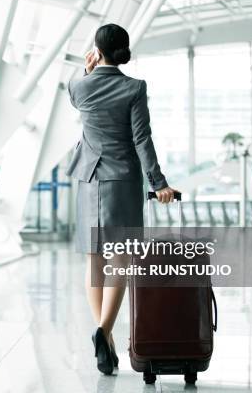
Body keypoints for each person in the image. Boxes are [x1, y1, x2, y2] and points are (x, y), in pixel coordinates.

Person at [66, 23, 177, 375]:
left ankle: (107, 341)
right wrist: (158, 182)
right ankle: (104, 333)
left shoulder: (78, 85)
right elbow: (142, 139)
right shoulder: (133, 88)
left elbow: (76, 95)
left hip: (88, 179)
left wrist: (87, 70)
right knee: (121, 261)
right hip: (123, 181)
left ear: (96, 50)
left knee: (94, 262)